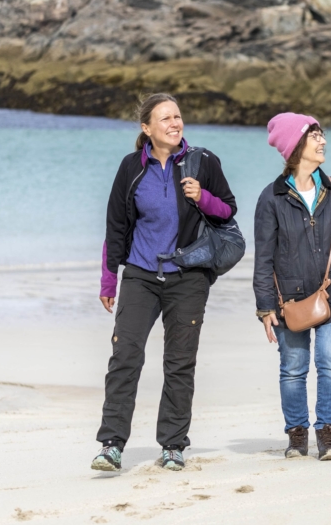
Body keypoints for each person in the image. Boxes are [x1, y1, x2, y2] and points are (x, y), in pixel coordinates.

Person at [92, 93, 237, 472]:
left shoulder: (202, 161)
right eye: (165, 119)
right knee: (125, 357)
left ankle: (173, 445)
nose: (175, 123)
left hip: (188, 277)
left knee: (179, 363)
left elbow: (227, 211)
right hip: (140, 275)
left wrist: (202, 197)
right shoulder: (131, 168)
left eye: (178, 116)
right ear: (147, 129)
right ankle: (111, 444)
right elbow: (116, 226)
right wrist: (109, 280)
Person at [253, 113, 331, 461]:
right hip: (289, 297)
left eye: (322, 134)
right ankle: (296, 433)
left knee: (330, 359)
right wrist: (265, 307)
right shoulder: (271, 198)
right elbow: (263, 259)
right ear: (295, 145)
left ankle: (327, 432)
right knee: (292, 365)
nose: (323, 141)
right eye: (315, 136)